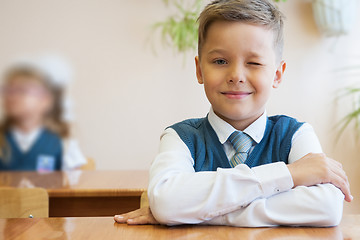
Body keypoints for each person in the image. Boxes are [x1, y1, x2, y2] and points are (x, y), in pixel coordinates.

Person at [115, 0, 352, 227]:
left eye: (254, 63)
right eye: (220, 61)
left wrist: (198, 212)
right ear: (199, 70)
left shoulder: (296, 135)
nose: (236, 75)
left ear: (277, 75)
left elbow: (327, 207)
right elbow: (166, 201)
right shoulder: (180, 137)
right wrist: (288, 174)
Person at [0, 56, 87, 171]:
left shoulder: (63, 142)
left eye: (22, 90)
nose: (12, 96)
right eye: (8, 90)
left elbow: (74, 184)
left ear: (46, 100)